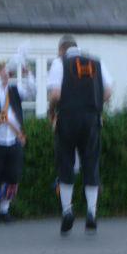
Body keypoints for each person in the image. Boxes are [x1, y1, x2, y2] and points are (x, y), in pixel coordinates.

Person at [47, 34, 113, 235]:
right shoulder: (96, 62)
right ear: (76, 47)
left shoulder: (60, 64)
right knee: (91, 163)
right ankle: (91, 213)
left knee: (65, 162)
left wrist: (52, 111)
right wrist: (93, 102)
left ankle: (67, 211)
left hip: (67, 118)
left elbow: (56, 94)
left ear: (61, 50)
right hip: (92, 119)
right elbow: (108, 91)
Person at [0, 59, 36, 223]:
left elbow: (32, 92)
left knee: (12, 175)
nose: (4, 73)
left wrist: (28, 74)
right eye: (0, 70)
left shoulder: (15, 89)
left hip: (13, 137)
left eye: (5, 70)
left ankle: (4, 210)